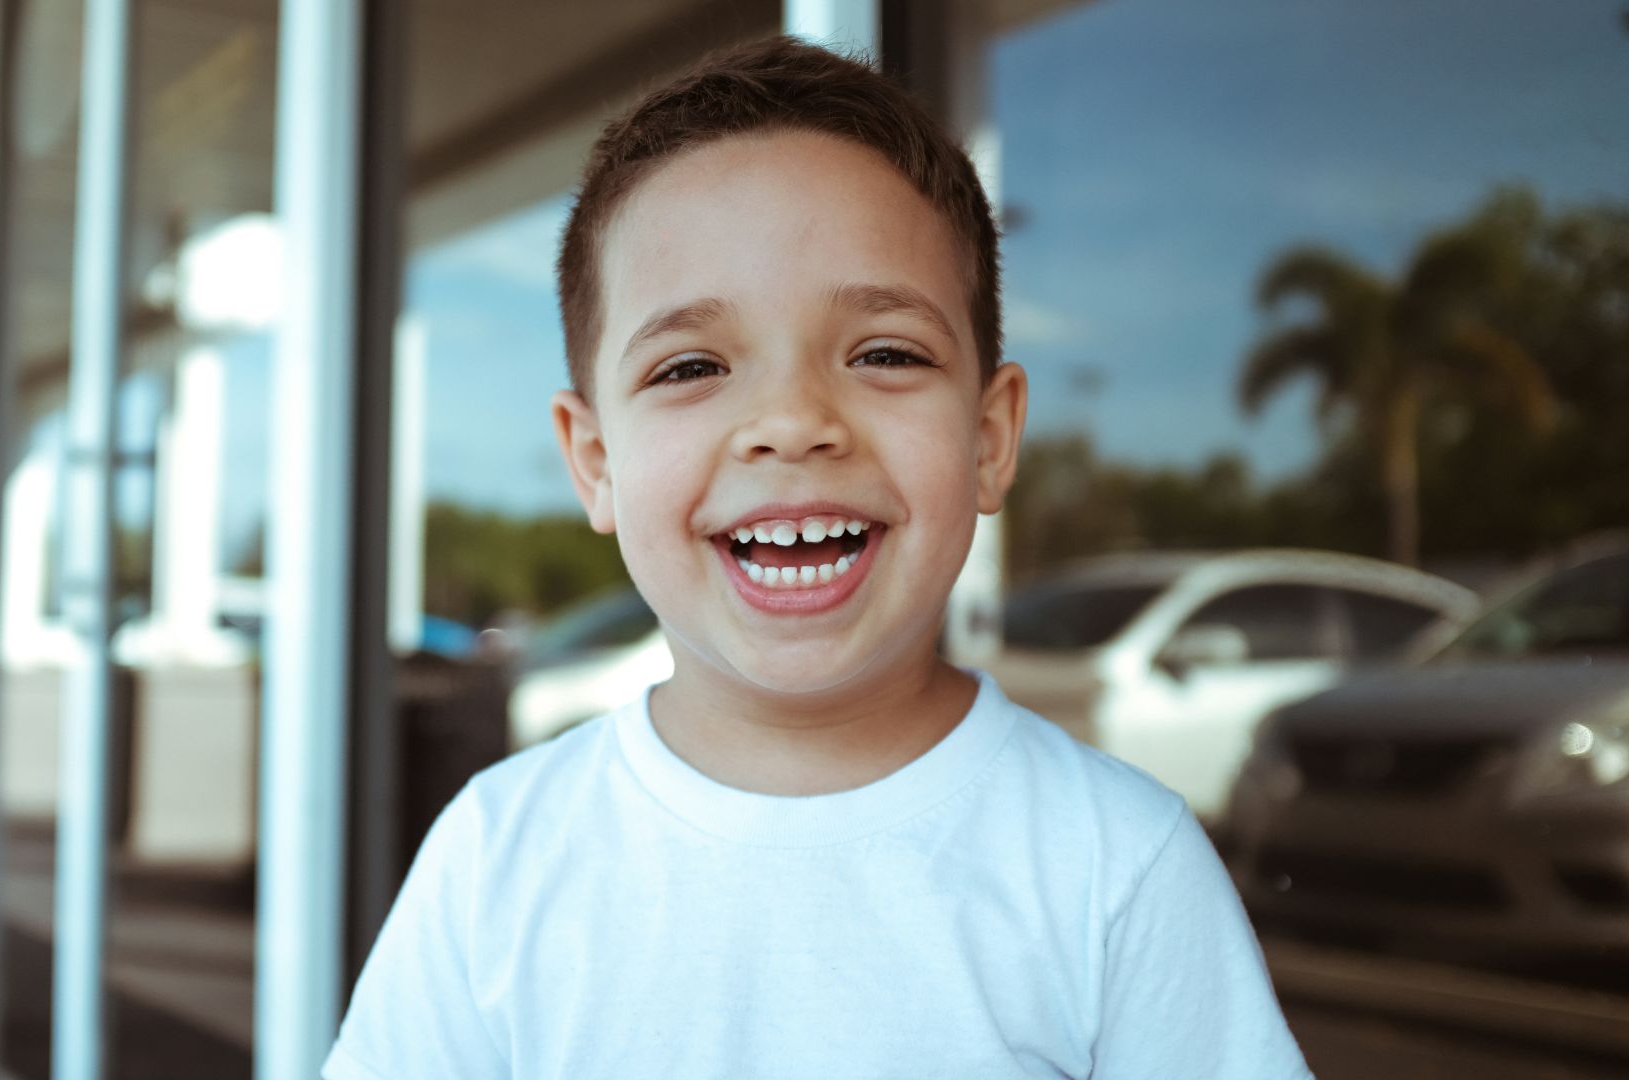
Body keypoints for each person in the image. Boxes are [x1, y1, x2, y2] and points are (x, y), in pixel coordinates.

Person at [323, 36, 1314, 1079]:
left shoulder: (1116, 864)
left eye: (885, 353)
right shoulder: (497, 859)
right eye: (693, 365)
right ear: (597, 460)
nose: (793, 422)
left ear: (989, 438)